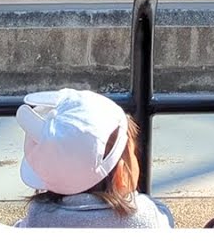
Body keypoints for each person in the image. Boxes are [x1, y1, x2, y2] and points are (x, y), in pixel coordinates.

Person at [15, 89, 173, 228]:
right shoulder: (148, 217)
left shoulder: (38, 217)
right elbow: (166, 221)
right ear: (119, 175)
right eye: (133, 152)